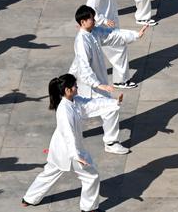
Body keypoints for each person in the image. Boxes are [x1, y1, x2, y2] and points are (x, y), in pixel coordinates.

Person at [22, 74, 121, 210]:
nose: (77, 87)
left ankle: (29, 198)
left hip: (60, 150)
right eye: (75, 85)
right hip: (70, 150)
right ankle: (89, 208)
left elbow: (91, 104)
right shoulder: (64, 110)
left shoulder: (75, 101)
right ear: (67, 90)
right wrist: (76, 156)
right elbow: (69, 135)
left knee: (49, 173)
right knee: (91, 176)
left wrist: (114, 102)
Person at [70, 4, 143, 154]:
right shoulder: (82, 41)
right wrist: (98, 85)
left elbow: (111, 34)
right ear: (83, 22)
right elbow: (84, 68)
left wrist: (134, 35)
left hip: (96, 82)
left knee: (101, 108)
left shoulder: (94, 32)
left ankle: (107, 141)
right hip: (87, 84)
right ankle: (110, 142)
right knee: (107, 108)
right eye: (91, 19)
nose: (94, 21)